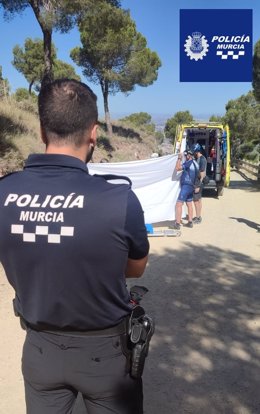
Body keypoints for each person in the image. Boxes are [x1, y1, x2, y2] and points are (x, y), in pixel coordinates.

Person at [0, 78, 150, 414]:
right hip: (105, 356)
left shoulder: (4, 194)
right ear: (94, 132)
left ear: (41, 130)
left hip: (39, 350)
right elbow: (136, 268)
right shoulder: (118, 199)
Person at [172, 150, 199, 230]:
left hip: (186, 186)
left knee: (179, 204)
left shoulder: (188, 163)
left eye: (185, 156)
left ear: (189, 156)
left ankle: (177, 223)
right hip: (192, 187)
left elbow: (177, 168)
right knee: (189, 204)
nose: (184, 157)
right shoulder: (196, 163)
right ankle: (190, 222)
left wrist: (179, 159)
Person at [192, 143, 207, 224]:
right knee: (199, 201)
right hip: (198, 182)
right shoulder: (199, 158)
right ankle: (198, 216)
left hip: (198, 183)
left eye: (194, 152)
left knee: (196, 201)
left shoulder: (202, 159)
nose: (193, 153)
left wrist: (198, 185)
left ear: (197, 151)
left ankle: (198, 218)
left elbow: (202, 173)